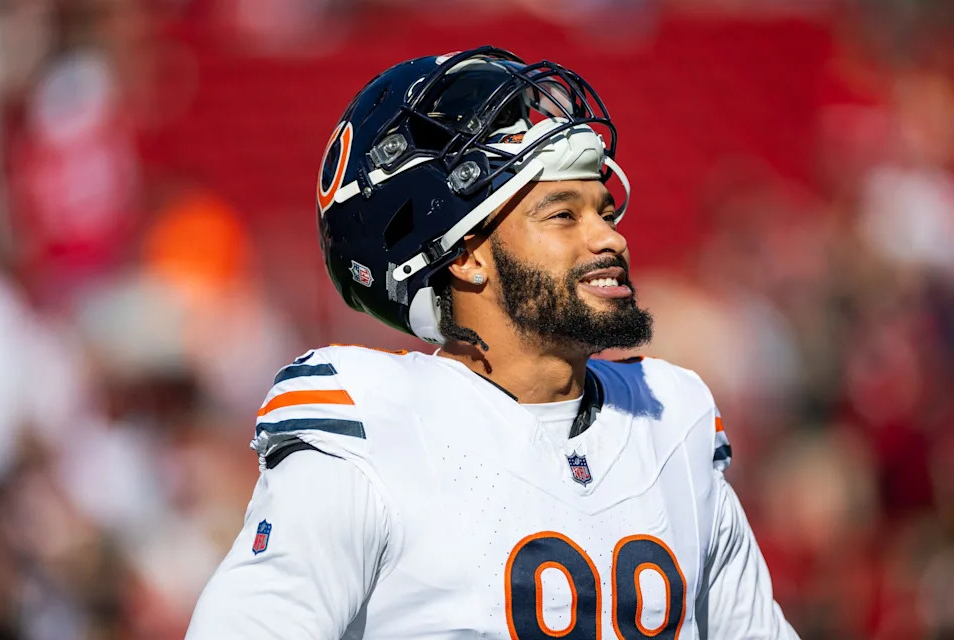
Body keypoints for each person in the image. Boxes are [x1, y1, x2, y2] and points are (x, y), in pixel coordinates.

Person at [186, 46, 799, 639]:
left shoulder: (671, 416)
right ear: (467, 257)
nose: (610, 240)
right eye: (564, 215)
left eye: (605, 213)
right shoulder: (376, 429)